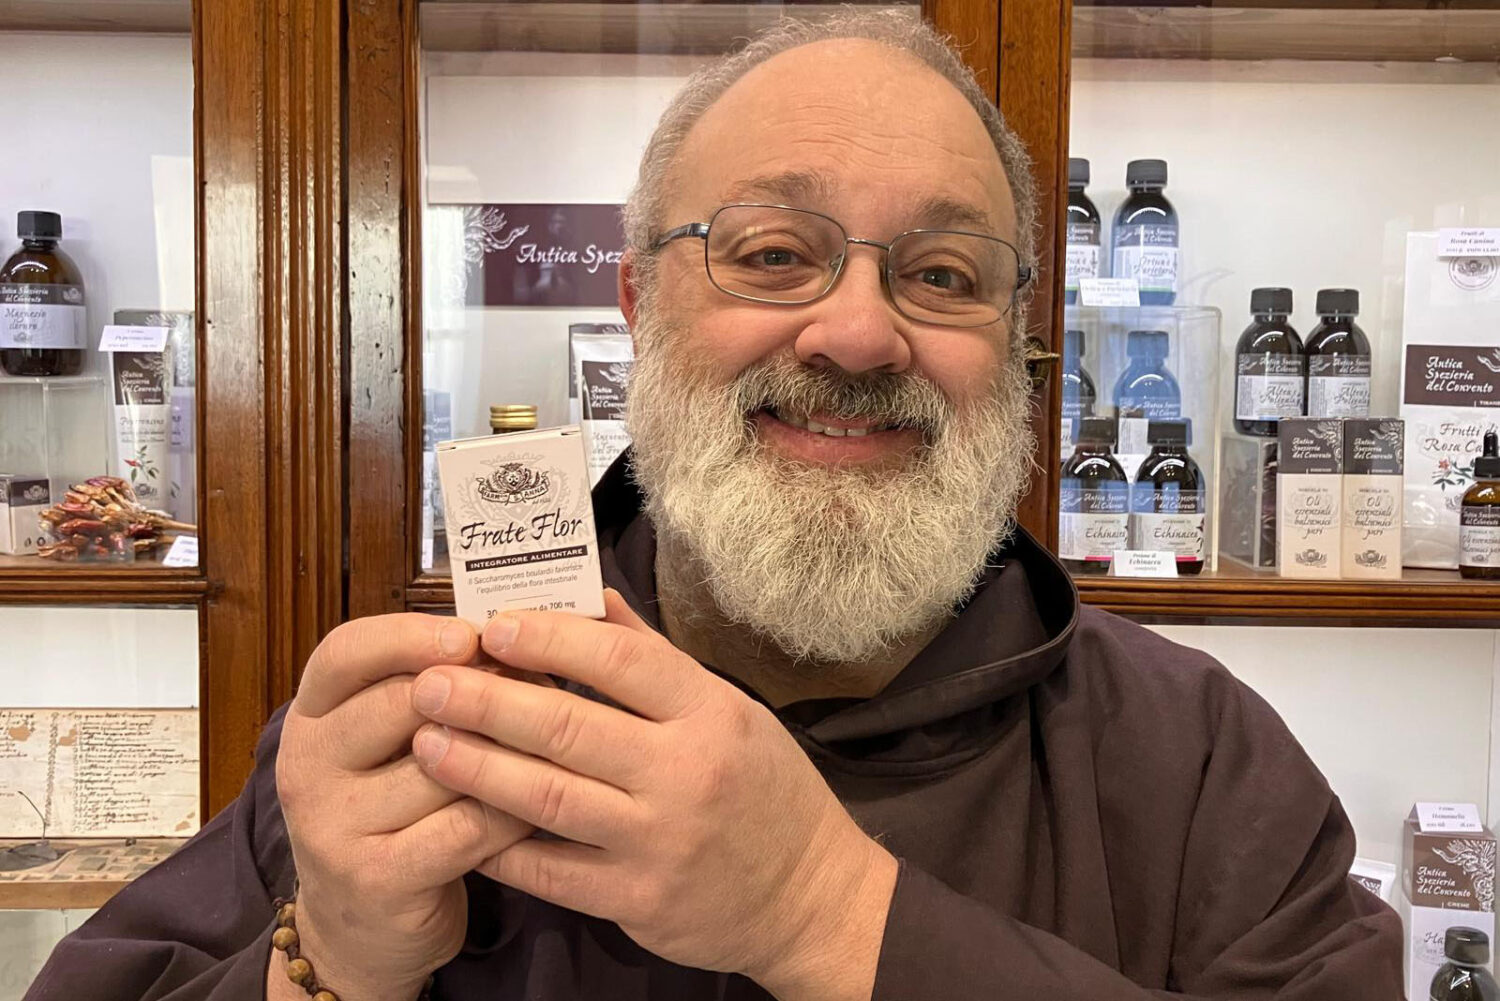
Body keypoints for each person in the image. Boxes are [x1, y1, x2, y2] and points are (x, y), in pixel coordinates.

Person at [27, 10, 1402, 1001]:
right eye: (774, 253)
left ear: (1020, 339)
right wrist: (330, 960)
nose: (857, 333)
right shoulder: (418, 722)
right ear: (638, 306)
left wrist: (827, 912)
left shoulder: (1198, 761)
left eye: (941, 273)